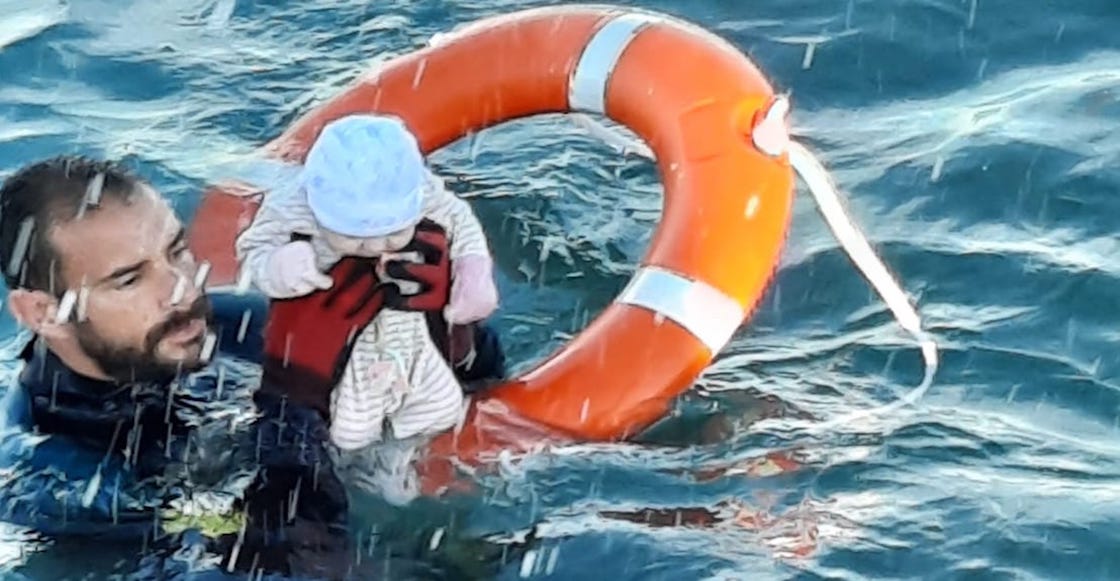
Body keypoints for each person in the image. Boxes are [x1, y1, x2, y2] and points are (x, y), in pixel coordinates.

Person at [0, 155, 519, 580]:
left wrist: (445, 332)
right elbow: (281, 556)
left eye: (177, 252)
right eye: (129, 280)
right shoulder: (58, 481)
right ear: (42, 313)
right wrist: (297, 394)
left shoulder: (226, 328)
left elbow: (473, 386)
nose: (182, 290)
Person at [234, 113, 503, 505]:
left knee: (437, 405)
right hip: (341, 351)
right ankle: (361, 478)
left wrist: (472, 274)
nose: (376, 247)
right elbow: (255, 246)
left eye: (394, 233)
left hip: (411, 332)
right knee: (347, 432)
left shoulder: (426, 194)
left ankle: (431, 460)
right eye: (357, 239)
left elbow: (462, 225)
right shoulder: (294, 206)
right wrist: (279, 265)